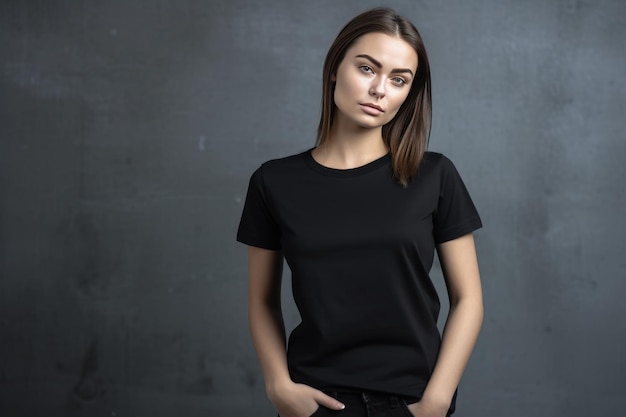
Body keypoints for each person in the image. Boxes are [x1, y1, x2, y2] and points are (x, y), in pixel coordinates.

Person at [237, 7, 483, 417]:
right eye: (367, 68)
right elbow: (262, 300)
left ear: (409, 93)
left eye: (399, 79)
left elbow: (469, 298)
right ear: (335, 67)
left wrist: (436, 401)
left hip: (411, 401)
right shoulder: (273, 182)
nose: (380, 90)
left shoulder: (435, 175)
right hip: (316, 401)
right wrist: (279, 385)